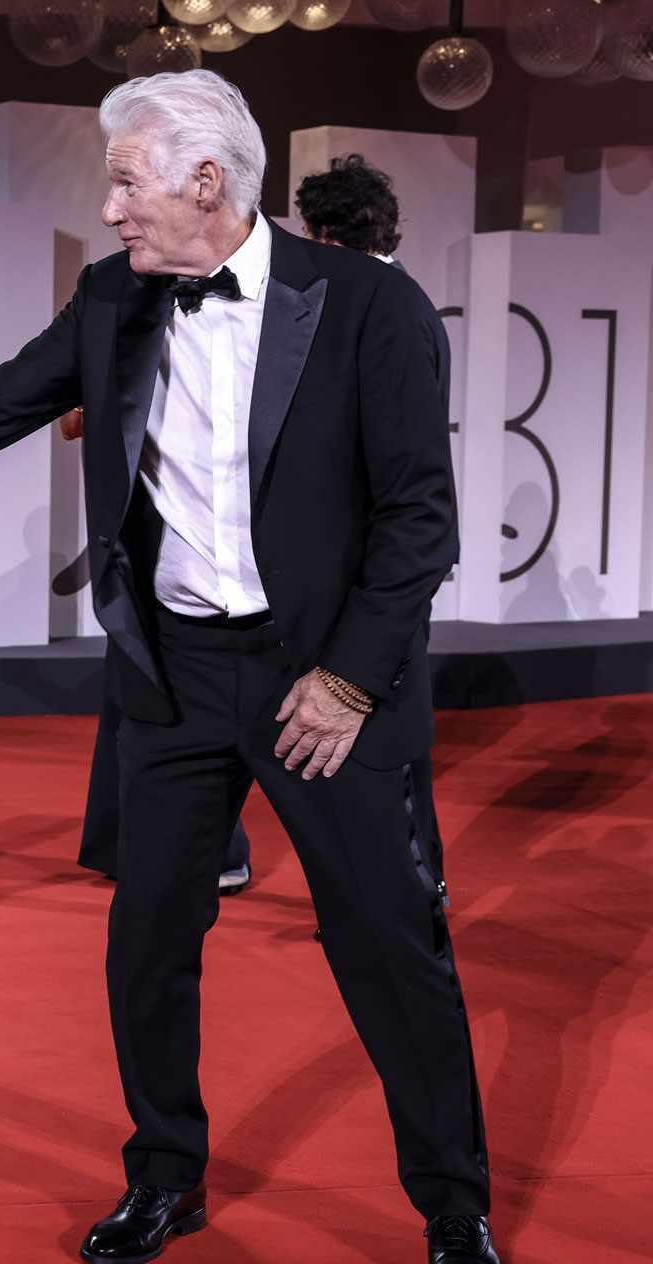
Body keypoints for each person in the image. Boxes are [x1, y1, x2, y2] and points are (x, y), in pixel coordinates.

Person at [0, 71, 503, 1264]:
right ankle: (163, 1173)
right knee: (146, 940)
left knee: (387, 948)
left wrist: (351, 681)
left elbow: (419, 520)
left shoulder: (367, 305)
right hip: (175, 677)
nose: (107, 209)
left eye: (124, 182)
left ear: (206, 183)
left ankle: (452, 1207)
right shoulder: (111, 298)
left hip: (325, 683)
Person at [296, 152, 451, 897]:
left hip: (381, 567)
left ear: (325, 237)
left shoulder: (384, 307)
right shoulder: (401, 299)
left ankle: (415, 892)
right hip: (375, 565)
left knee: (389, 749)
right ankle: (402, 890)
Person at [66, 402, 251, 892]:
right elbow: (71, 423)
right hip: (138, 541)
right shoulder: (113, 346)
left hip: (204, 552)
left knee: (203, 710)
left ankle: (221, 849)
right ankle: (127, 846)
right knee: (135, 707)